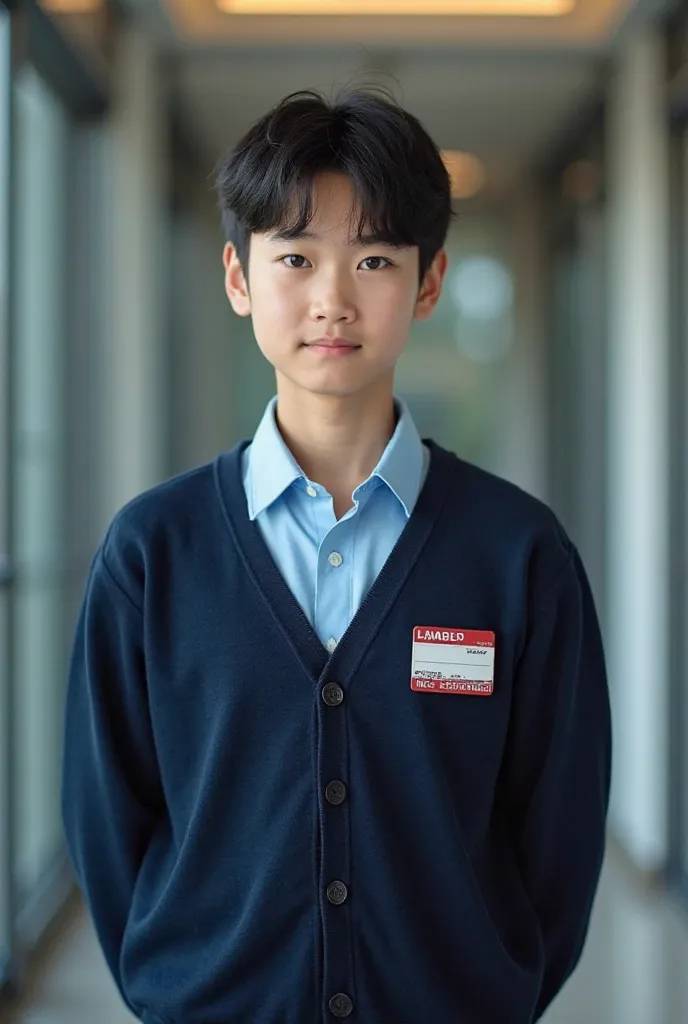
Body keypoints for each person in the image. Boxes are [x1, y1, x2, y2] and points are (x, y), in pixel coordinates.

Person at [61, 88, 612, 1024]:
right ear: (239, 279)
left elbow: (557, 842)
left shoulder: (520, 556)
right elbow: (108, 826)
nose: (333, 299)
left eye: (373, 259)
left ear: (428, 282)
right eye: (295, 257)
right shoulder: (154, 553)